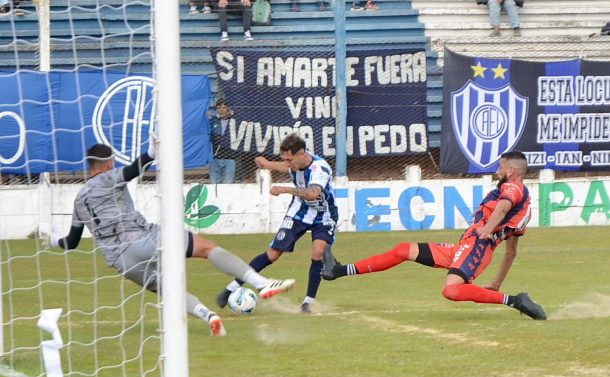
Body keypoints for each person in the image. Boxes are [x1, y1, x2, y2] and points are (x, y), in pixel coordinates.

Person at [50, 143, 296, 336]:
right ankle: (262, 284)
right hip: (143, 239)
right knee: (206, 248)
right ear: (108, 163)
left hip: (120, 261)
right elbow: (132, 171)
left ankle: (208, 316)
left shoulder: (79, 200)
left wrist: (52, 241)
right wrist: (150, 154)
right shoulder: (106, 177)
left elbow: (71, 242)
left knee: (169, 290)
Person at [321, 151, 547, 321]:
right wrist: (496, 282)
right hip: (466, 246)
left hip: (477, 246)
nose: (497, 171)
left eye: (500, 167)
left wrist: (488, 230)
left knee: (452, 290)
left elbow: (503, 208)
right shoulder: (522, 205)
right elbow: (511, 250)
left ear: (510, 171)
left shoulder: (514, 188)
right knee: (403, 250)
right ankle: (338, 270)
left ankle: (515, 301)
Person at [215, 134, 337, 313]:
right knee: (272, 254)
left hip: (324, 215)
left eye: (290, 158)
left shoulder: (320, 168)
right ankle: (229, 289)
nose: (288, 163)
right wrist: (266, 163)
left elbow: (313, 193)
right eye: (285, 159)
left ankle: (308, 302)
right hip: (299, 212)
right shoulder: (293, 163)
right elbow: (285, 166)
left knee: (318, 252)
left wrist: (284, 189)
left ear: (302, 153)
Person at [209, 99, 236, 184]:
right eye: (219, 108)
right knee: (214, 185)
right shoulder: (212, 121)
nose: (221, 110)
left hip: (230, 158)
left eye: (224, 107)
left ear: (229, 109)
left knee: (227, 185)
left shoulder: (234, 121)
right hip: (215, 158)